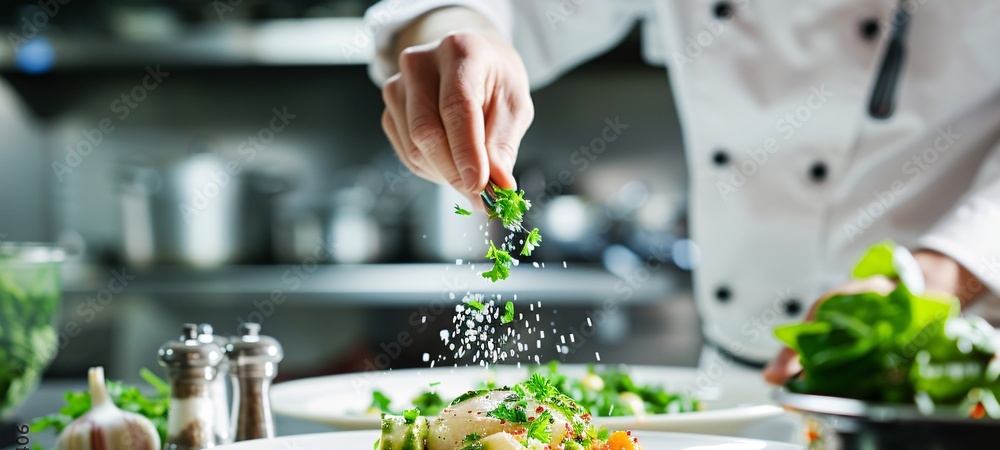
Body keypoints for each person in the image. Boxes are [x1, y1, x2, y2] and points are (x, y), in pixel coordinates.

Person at [363, 0, 1000, 382]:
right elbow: (491, 9)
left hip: (950, 376)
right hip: (737, 385)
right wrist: (459, 33)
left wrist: (938, 277)